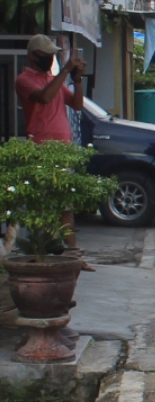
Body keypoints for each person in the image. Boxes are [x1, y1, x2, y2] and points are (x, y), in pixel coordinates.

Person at [15, 35, 92, 269]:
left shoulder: (53, 79)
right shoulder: (25, 79)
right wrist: (66, 70)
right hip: (41, 147)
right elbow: (45, 97)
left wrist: (77, 81)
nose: (49, 59)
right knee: (43, 204)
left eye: (52, 55)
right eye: (45, 55)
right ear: (32, 56)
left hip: (63, 148)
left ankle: (72, 255)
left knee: (65, 205)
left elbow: (77, 104)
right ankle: (45, 251)